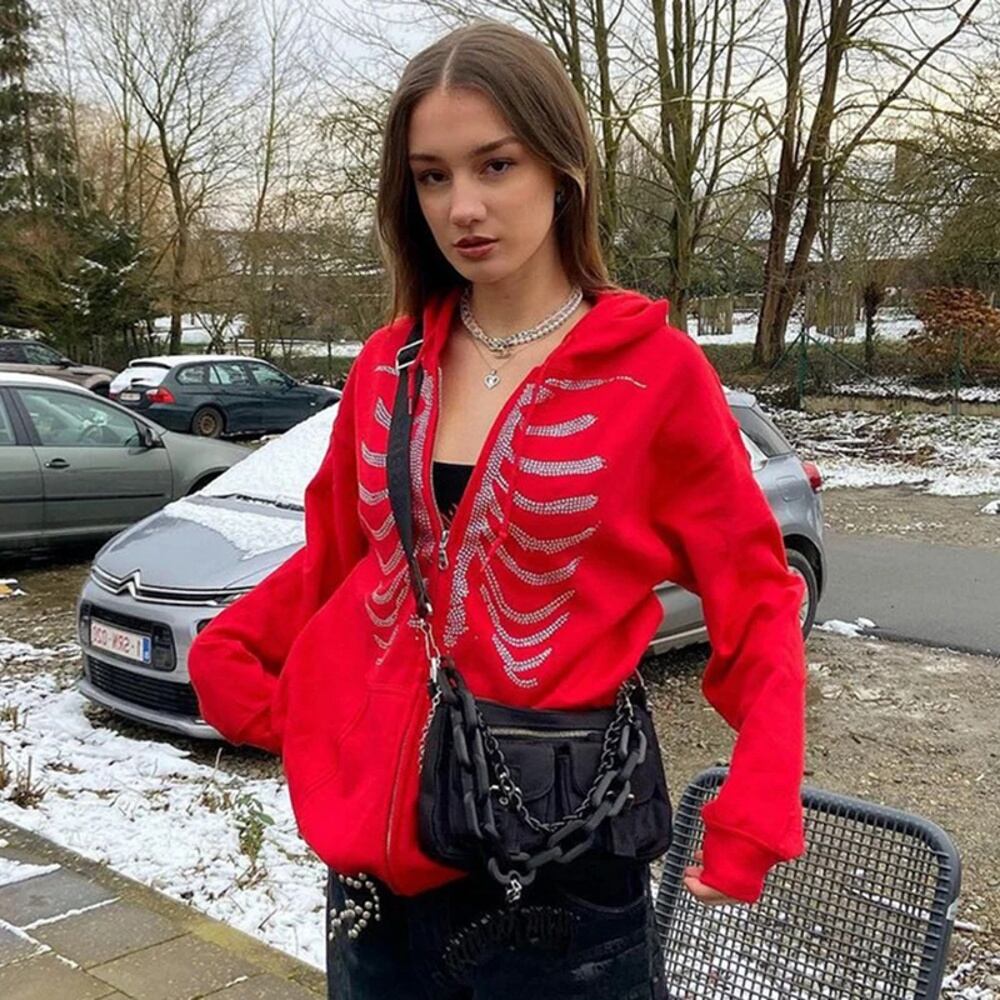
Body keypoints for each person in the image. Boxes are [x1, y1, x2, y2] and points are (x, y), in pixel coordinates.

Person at [188, 19, 808, 999]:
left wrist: (758, 800)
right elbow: (353, 561)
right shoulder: (388, 366)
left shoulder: (655, 375)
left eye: (496, 164)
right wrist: (236, 658)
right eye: (432, 177)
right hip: (378, 876)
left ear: (564, 169)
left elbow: (757, 594)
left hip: (558, 866)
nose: (463, 206)